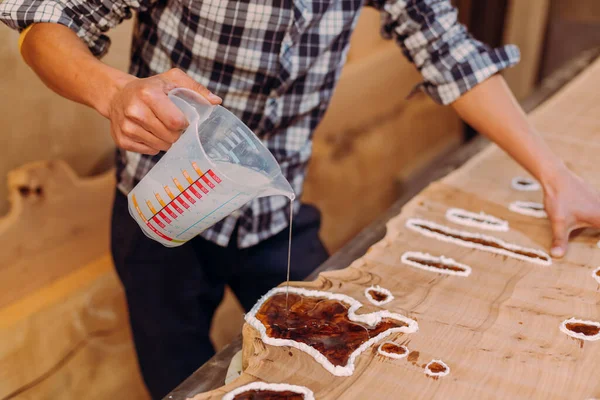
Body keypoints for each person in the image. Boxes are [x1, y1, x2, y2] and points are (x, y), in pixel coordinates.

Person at [2, 0, 599, 398]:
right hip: (163, 212)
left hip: (273, 210)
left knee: (325, 346)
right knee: (179, 375)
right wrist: (115, 93)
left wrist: (555, 175)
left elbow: (449, 51)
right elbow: (44, 23)